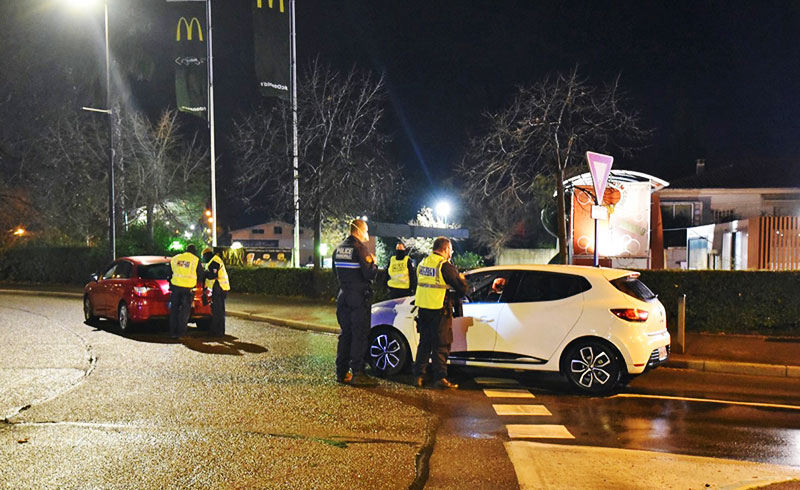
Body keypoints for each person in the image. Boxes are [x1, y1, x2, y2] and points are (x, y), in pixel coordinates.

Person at [413, 237, 468, 389]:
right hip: (439, 310)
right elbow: (462, 289)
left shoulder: (423, 263)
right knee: (441, 345)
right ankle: (440, 378)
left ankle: (418, 376)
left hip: (423, 309)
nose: (451, 253)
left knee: (424, 344)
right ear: (445, 249)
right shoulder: (444, 266)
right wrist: (462, 279)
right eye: (450, 249)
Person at [332, 218, 378, 385]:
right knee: (359, 335)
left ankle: (341, 372)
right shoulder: (360, 249)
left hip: (343, 296)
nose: (367, 234)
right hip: (358, 298)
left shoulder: (338, 249)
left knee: (345, 335)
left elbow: (334, 273)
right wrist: (374, 263)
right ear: (358, 231)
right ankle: (358, 373)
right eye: (366, 230)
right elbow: (369, 274)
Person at [169, 244, 204, 339]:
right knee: (185, 311)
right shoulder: (195, 260)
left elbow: (170, 272)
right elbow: (200, 275)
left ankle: (172, 332)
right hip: (187, 289)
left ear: (186, 250)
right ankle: (181, 333)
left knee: (174, 310)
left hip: (176, 287)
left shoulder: (176, 258)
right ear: (194, 251)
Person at [202, 247, 230, 337]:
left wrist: (205, 274)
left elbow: (212, 275)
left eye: (204, 256)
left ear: (207, 255)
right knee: (217, 311)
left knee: (218, 311)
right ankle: (216, 330)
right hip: (219, 289)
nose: (204, 258)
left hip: (219, 288)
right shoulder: (213, 261)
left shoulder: (214, 261)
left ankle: (218, 332)